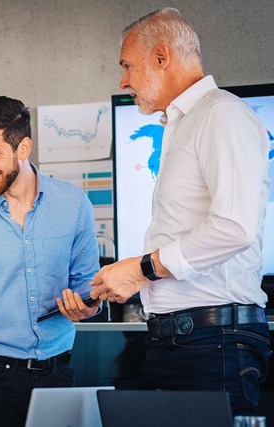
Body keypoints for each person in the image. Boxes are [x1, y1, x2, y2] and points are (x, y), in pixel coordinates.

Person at [90, 7, 272, 415]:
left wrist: (141, 269)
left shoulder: (220, 114)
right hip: (180, 343)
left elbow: (234, 227)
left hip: (213, 345)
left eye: (127, 67)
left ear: (161, 57)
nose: (123, 81)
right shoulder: (182, 125)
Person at [0, 95, 101, 427]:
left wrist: (87, 307)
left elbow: (87, 285)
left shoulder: (74, 204)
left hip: (58, 373)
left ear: (23, 148)